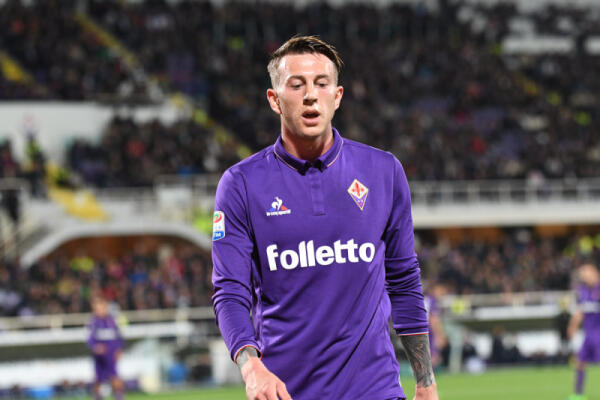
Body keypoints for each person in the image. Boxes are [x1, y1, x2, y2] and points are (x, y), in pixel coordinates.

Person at [211, 35, 438, 400]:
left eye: (321, 84)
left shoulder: (383, 171)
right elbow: (230, 291)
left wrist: (425, 382)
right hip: (285, 392)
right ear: (274, 99)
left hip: (375, 391)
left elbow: (404, 281)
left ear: (337, 96)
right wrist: (251, 366)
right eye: (296, 85)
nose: (310, 96)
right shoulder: (241, 184)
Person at [567, 263, 600, 400]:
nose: (582, 276)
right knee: (580, 361)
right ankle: (578, 394)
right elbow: (580, 311)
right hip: (589, 335)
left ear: (594, 272)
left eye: (585, 273)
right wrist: (572, 326)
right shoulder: (582, 291)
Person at [87, 296, 124, 400]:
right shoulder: (93, 322)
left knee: (114, 376)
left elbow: (119, 337)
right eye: (96, 308)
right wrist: (95, 347)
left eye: (101, 308)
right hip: (99, 356)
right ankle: (97, 397)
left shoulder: (112, 321)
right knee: (98, 378)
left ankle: (119, 397)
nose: (99, 310)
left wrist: (119, 350)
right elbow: (90, 339)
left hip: (110, 355)